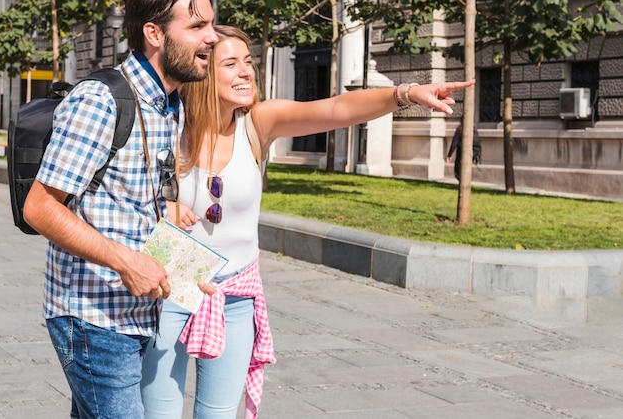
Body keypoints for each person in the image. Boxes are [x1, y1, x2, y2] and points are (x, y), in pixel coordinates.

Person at [140, 25, 476, 418]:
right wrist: (166, 209)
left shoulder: (258, 124)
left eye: (248, 62)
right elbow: (139, 196)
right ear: (202, 72)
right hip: (173, 281)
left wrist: (405, 94)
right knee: (156, 413)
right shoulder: (168, 125)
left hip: (236, 291)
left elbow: (335, 109)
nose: (246, 72)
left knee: (217, 414)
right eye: (230, 64)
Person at [22, 0, 219, 419]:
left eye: (211, 24)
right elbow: (40, 207)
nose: (212, 37)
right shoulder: (101, 100)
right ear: (154, 33)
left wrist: (186, 272)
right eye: (197, 26)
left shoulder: (169, 104)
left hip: (134, 316)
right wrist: (127, 262)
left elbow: (136, 206)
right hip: (92, 318)